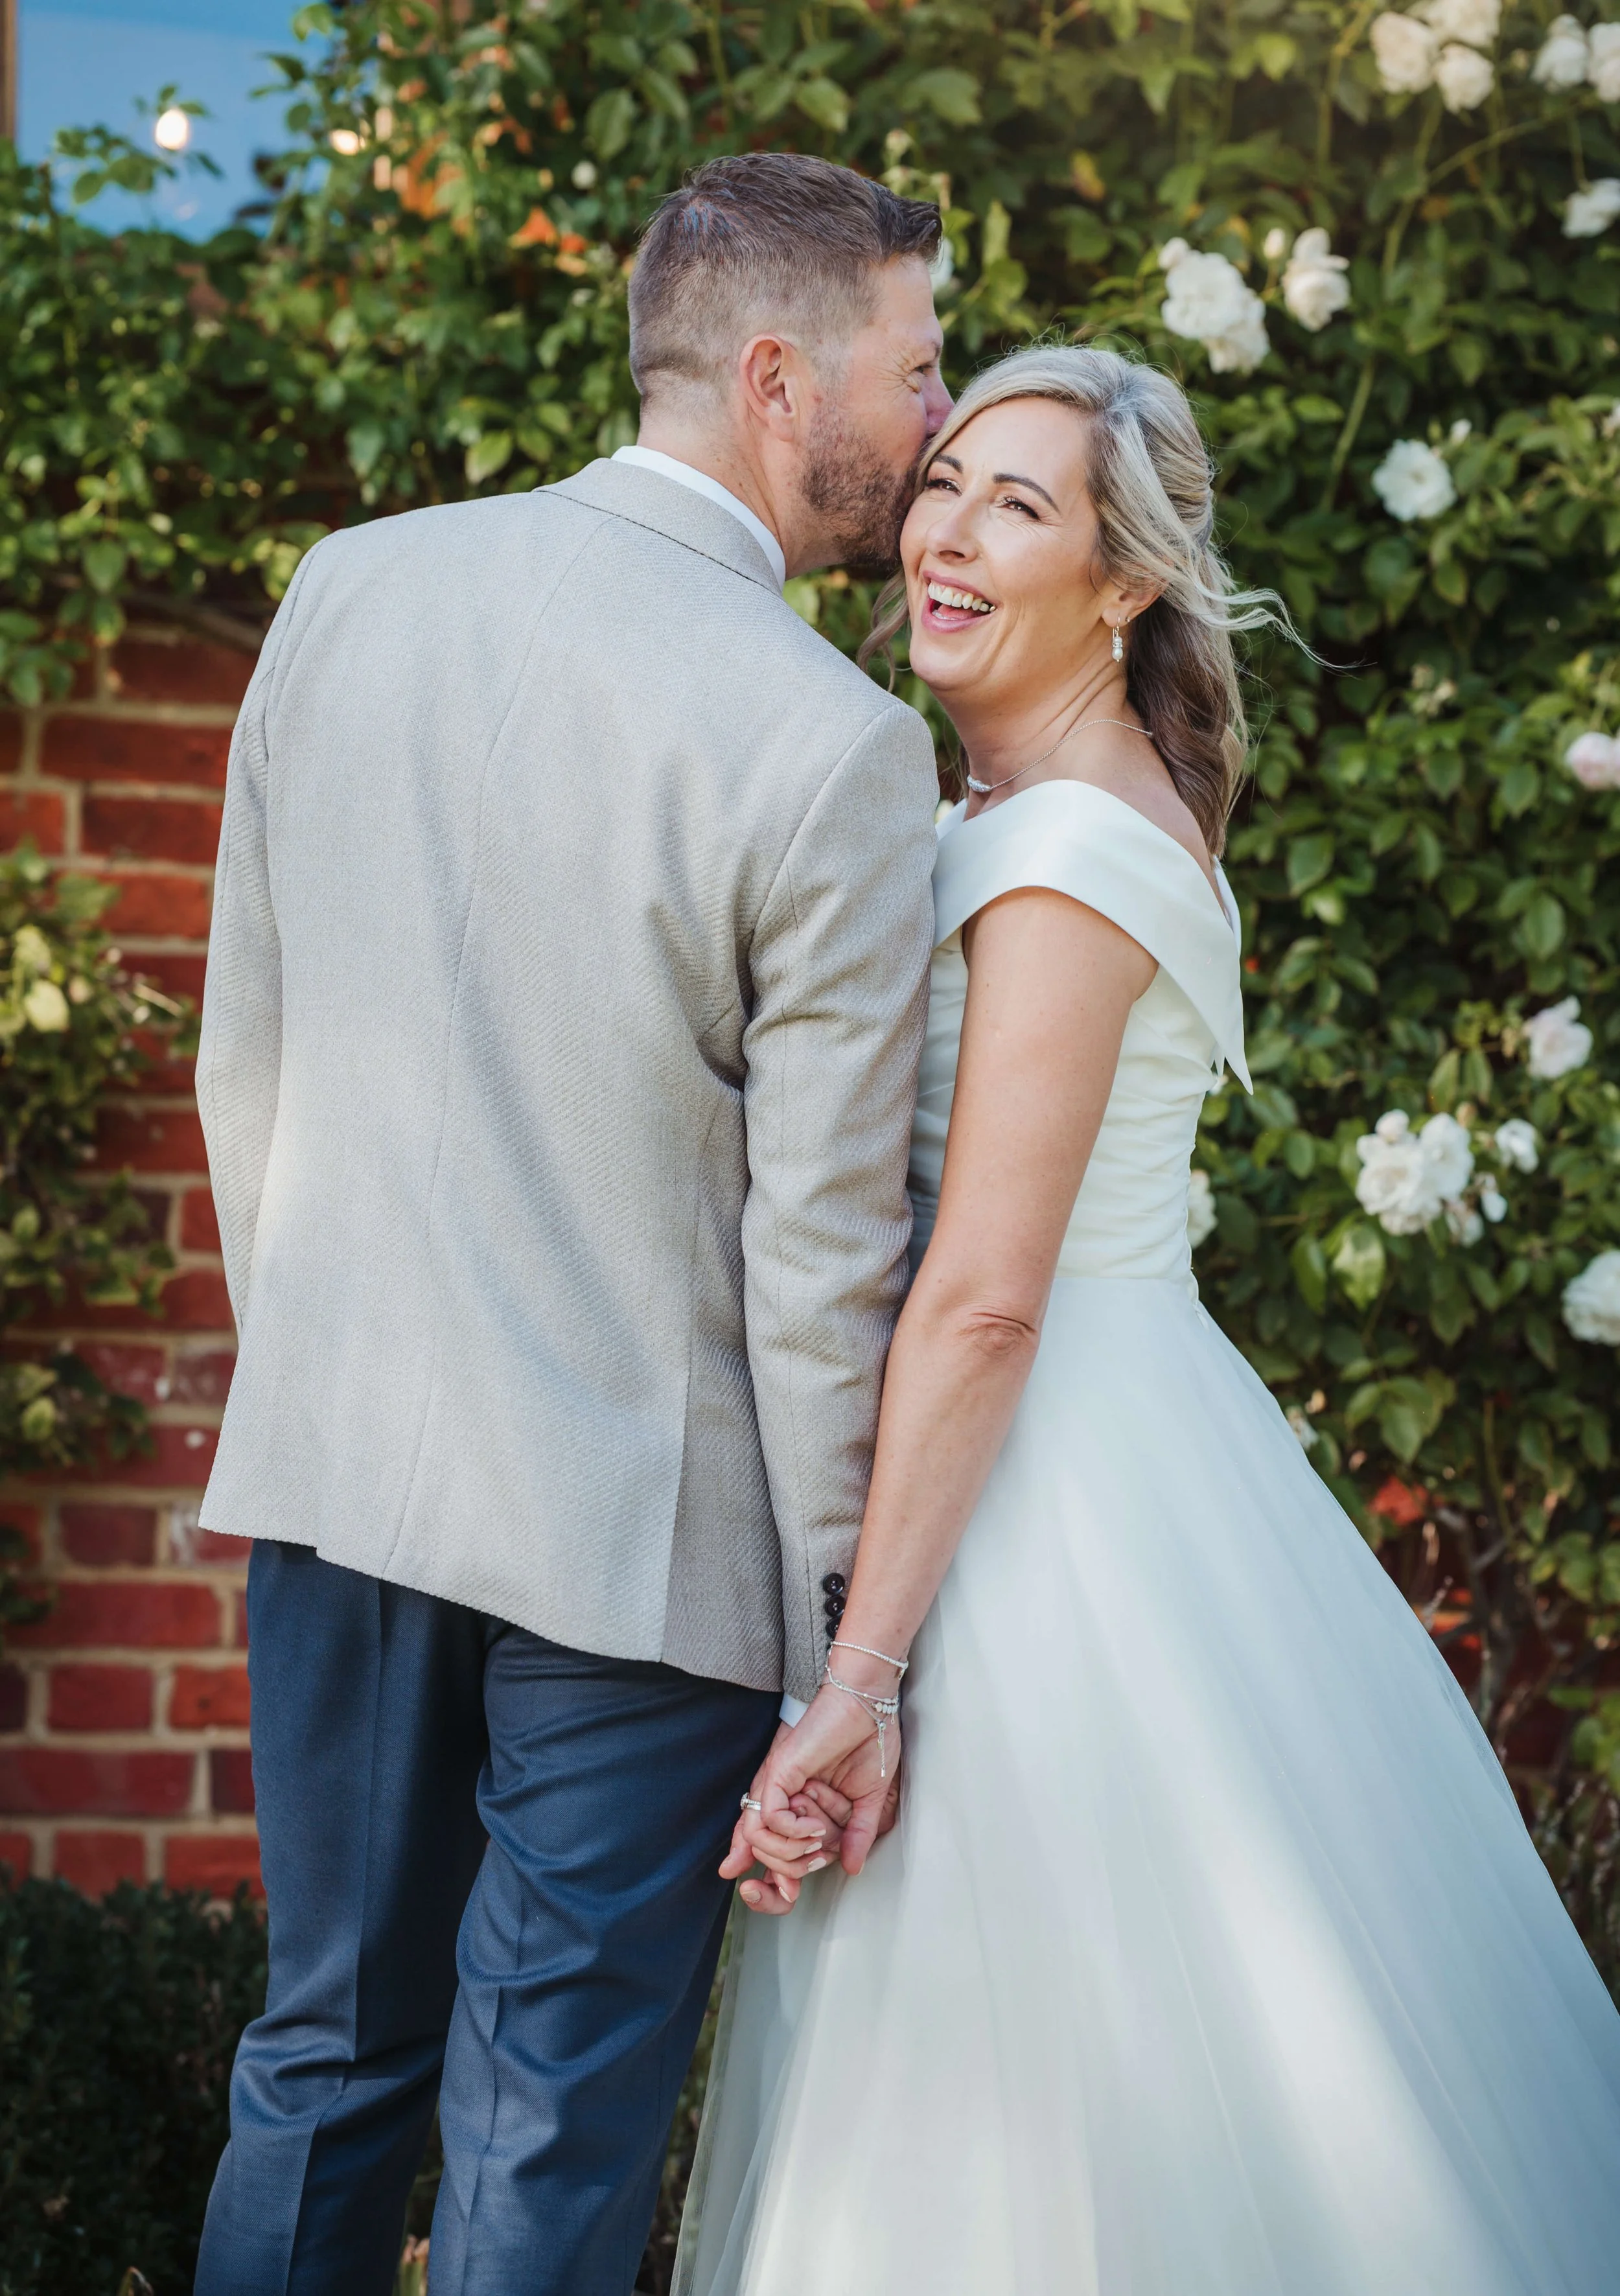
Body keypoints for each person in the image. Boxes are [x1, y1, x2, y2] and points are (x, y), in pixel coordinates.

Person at [677, 345, 1620, 2295]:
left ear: (1124, 586)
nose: (941, 532)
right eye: (942, 482)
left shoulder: (1071, 853)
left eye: (1015, 506)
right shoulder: (1032, 804)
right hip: (1101, 1436)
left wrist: (852, 1680)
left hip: (1042, 1500)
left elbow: (987, 1299)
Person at [191, 152, 950, 2296]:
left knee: (322, 2055)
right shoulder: (833, 745)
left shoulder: (352, 582)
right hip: (641, 1552)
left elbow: (246, 1047)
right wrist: (837, 1655)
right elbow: (815, 1268)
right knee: (540, 2127)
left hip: (339, 1487)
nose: (927, 423)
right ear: (778, 375)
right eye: (912, 368)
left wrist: (325, 1358)